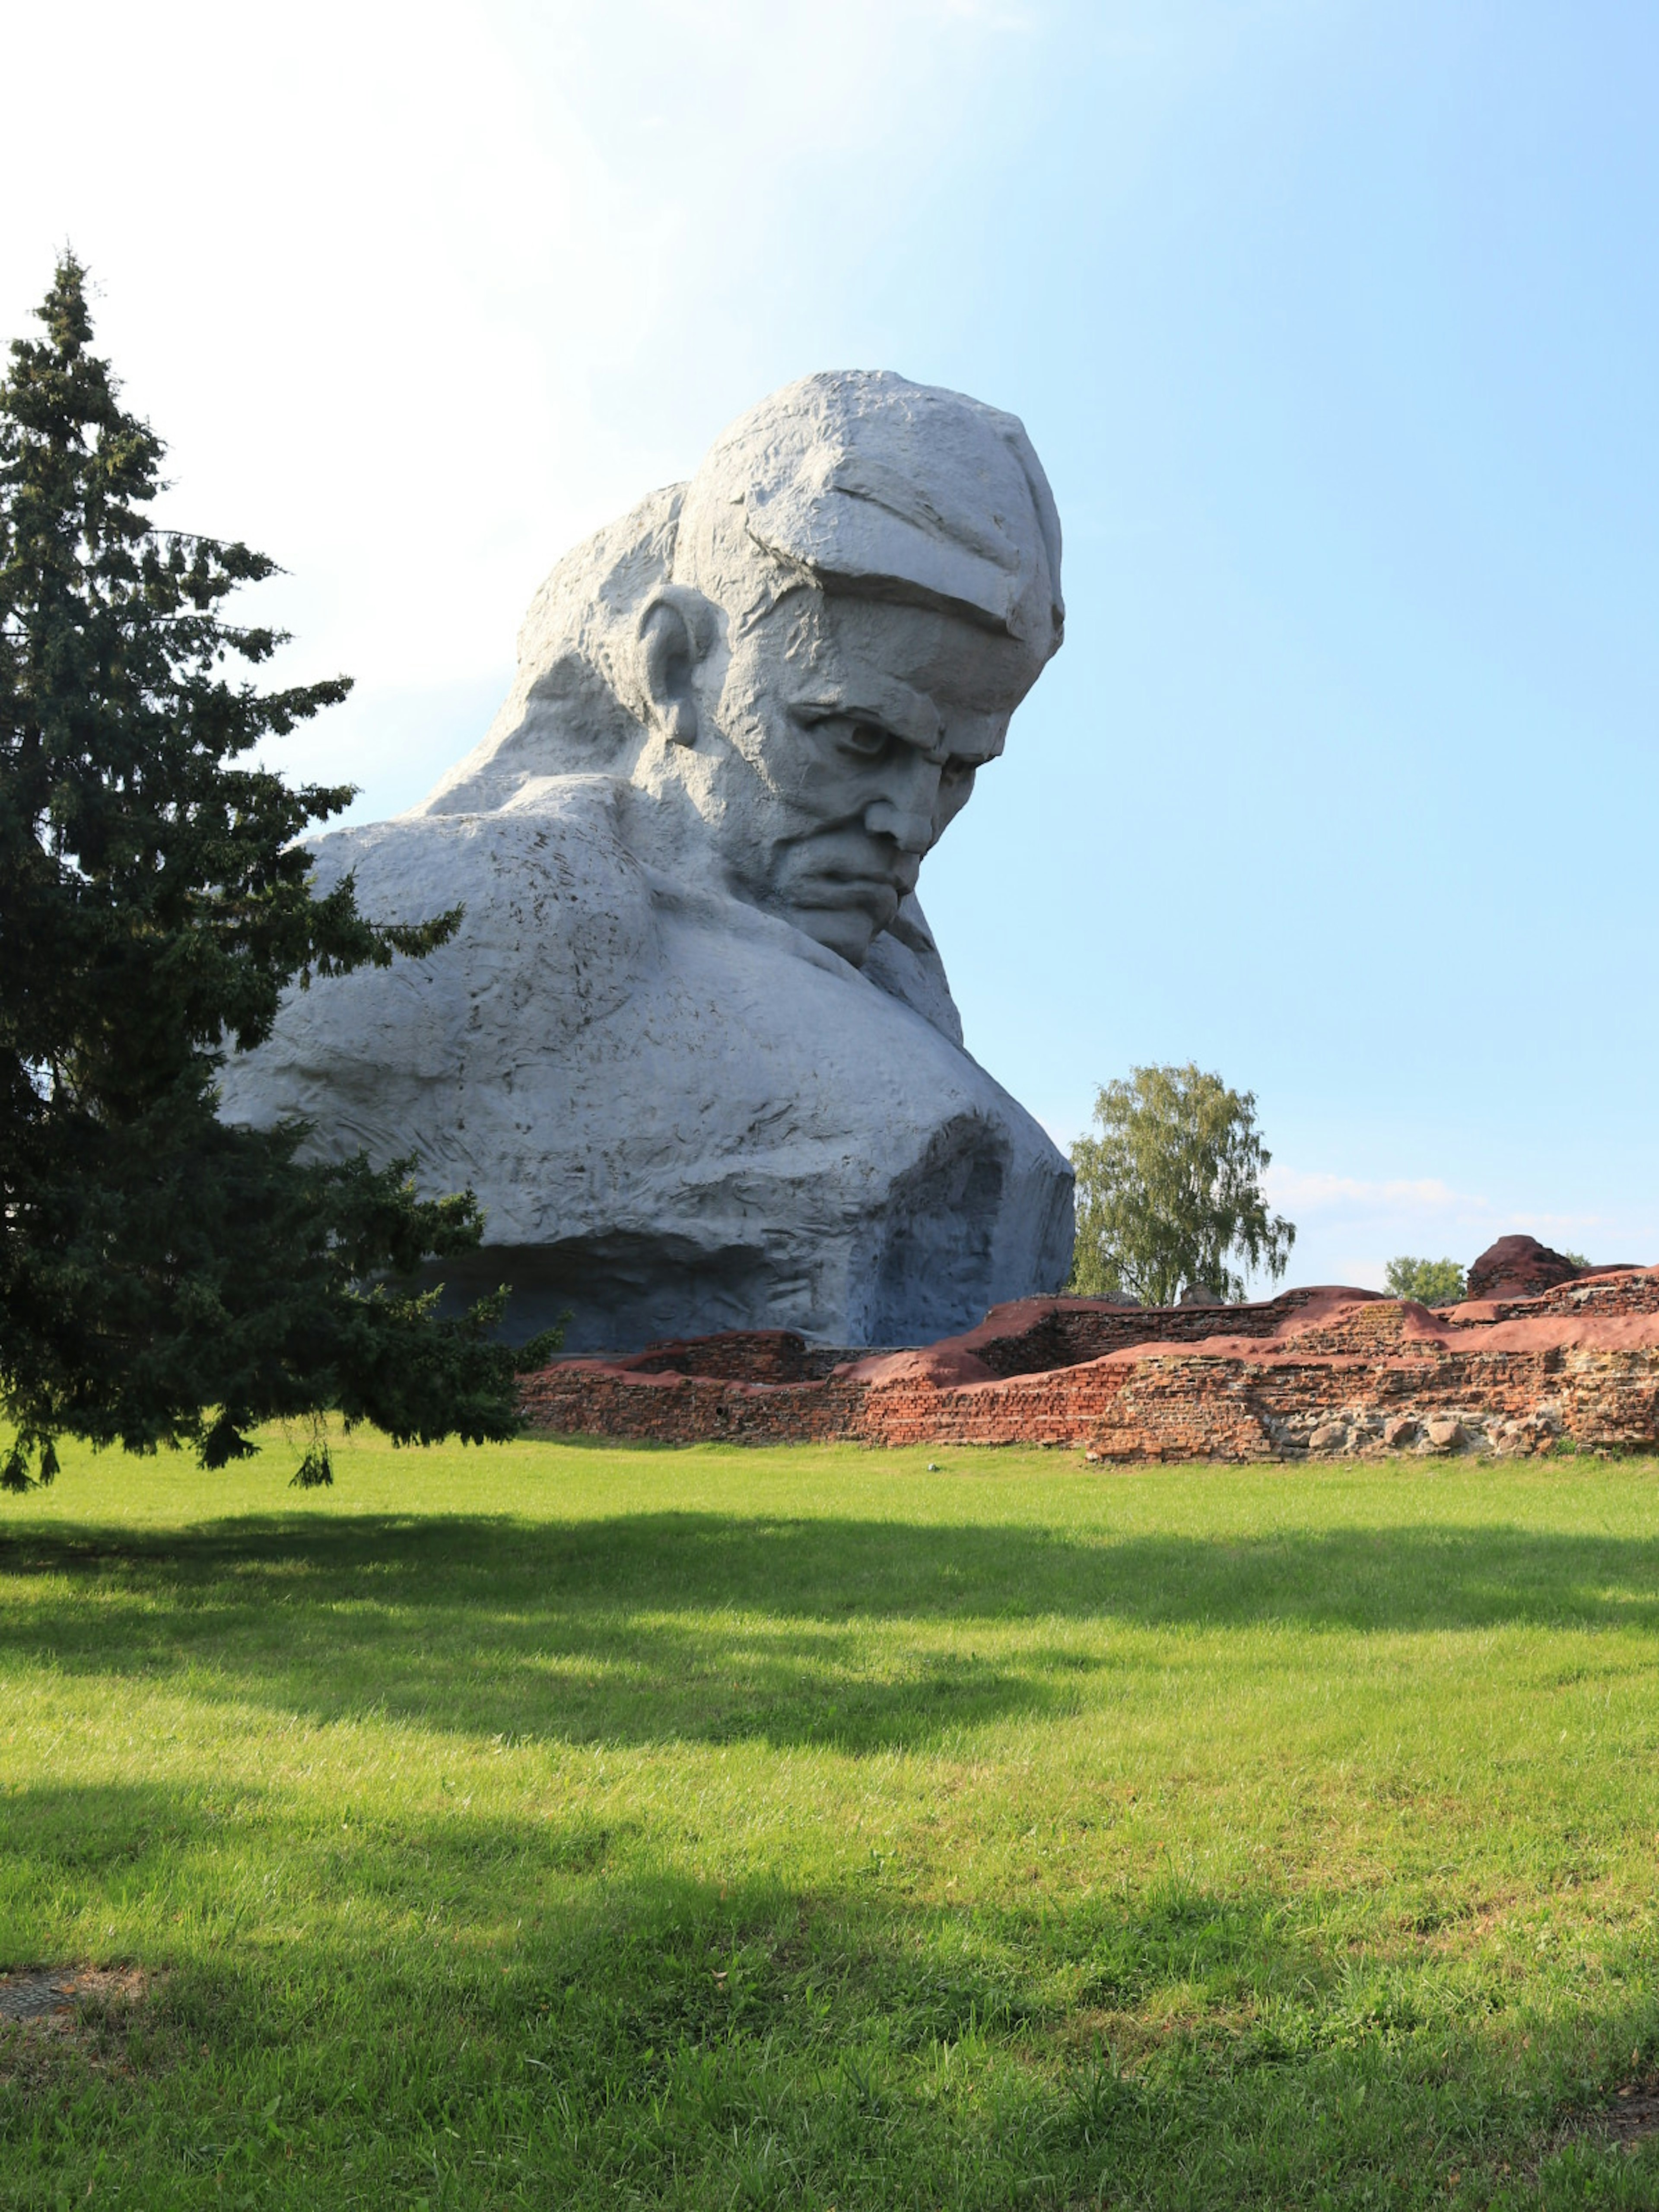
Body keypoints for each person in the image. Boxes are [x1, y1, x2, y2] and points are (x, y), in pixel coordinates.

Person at [221, 372, 1075, 1350]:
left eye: (958, 768)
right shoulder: (497, 915)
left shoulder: (909, 991)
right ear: (675, 668)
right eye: (858, 739)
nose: (911, 823)